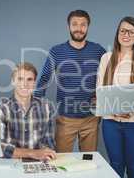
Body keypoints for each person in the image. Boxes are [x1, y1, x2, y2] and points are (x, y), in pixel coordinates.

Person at [35, 10, 106, 152]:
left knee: (88, 162)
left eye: (83, 25)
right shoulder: (56, 51)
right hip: (66, 118)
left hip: (91, 118)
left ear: (88, 27)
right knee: (62, 162)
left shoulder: (98, 51)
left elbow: (110, 76)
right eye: (75, 24)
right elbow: (44, 78)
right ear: (68, 26)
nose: (79, 28)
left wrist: (103, 97)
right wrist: (34, 106)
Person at [97, 16, 134, 178]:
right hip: (111, 123)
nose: (126, 35)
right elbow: (99, 88)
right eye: (123, 30)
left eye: (131, 32)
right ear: (117, 33)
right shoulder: (106, 58)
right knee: (115, 167)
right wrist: (113, 111)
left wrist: (128, 111)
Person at [0, 62, 57, 161]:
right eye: (20, 79)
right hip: (11, 165)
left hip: (39, 164)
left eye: (29, 79)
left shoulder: (47, 107)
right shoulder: (1, 109)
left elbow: (49, 143)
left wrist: (46, 152)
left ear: (34, 83)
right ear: (13, 81)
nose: (25, 84)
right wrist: (32, 153)